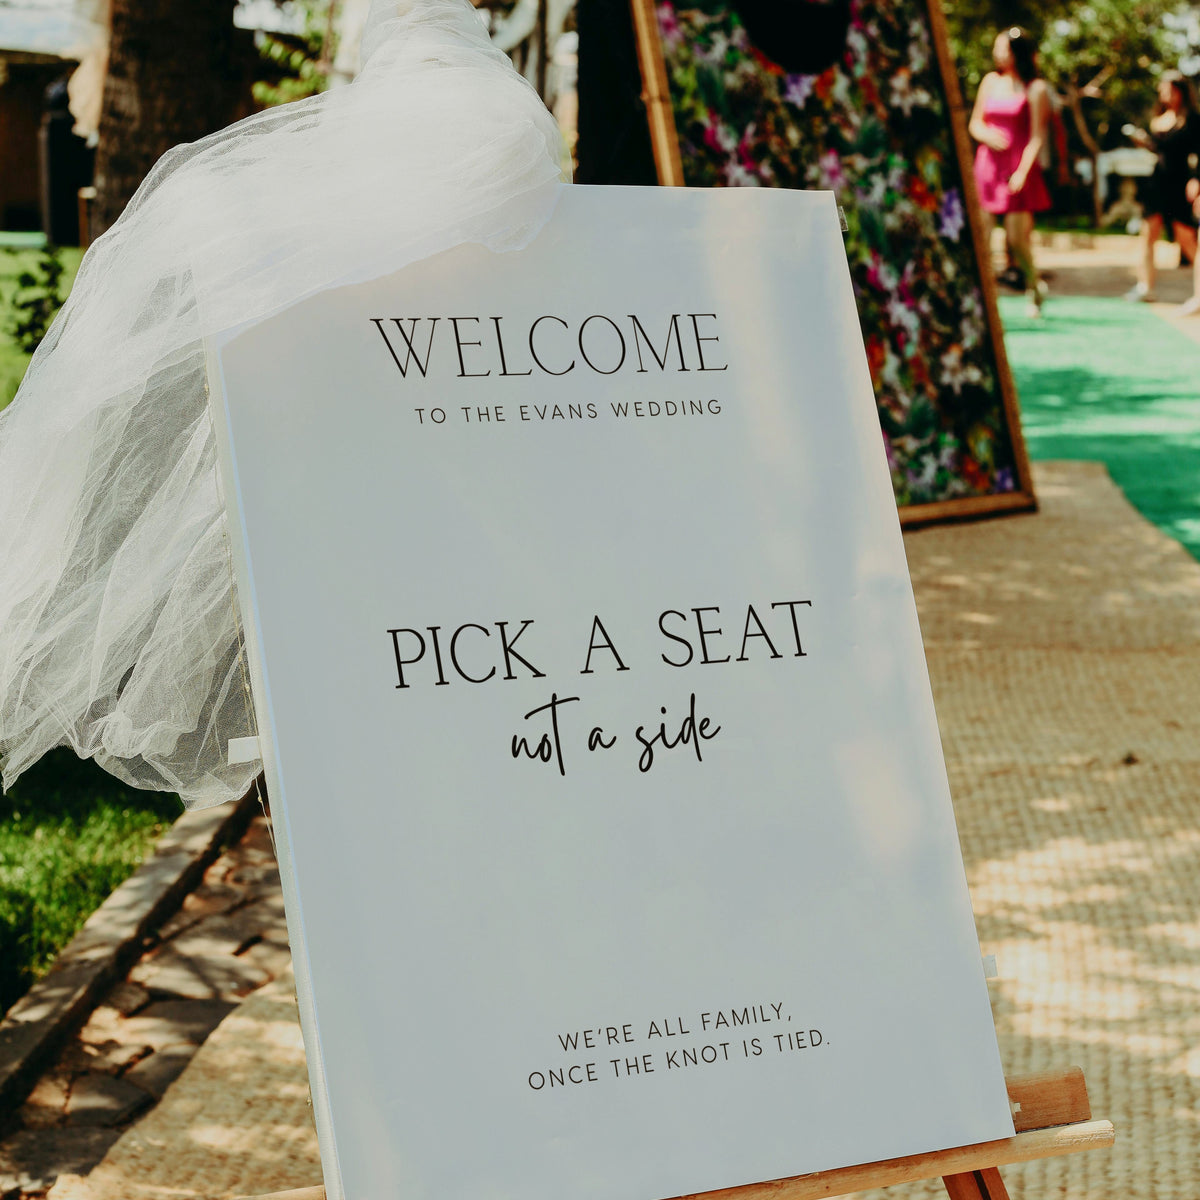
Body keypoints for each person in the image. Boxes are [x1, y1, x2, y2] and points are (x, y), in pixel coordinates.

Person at [969, 27, 1053, 317]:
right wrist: (987, 136)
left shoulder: (1036, 88)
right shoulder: (991, 81)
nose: (997, 53)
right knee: (982, 234)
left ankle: (1033, 286)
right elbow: (974, 123)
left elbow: (1037, 136)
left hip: (1018, 169)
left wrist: (1022, 172)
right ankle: (983, 296)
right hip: (988, 167)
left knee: (1018, 239)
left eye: (1002, 47)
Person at [1124, 72, 1200, 311]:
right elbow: (1159, 149)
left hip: (1179, 184)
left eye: (1168, 90)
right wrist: (1145, 143)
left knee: (1186, 237)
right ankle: (1146, 287)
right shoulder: (1159, 118)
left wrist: (1197, 179)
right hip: (1156, 181)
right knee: (1148, 233)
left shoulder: (1193, 119)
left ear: (1180, 91)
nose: (1164, 94)